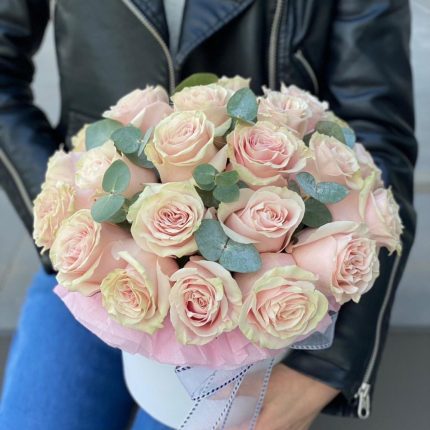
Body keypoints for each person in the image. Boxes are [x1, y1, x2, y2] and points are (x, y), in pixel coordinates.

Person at [0, 1, 417, 429]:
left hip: (259, 298)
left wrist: (329, 366)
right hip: (98, 257)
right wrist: (67, 223)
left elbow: (377, 133)